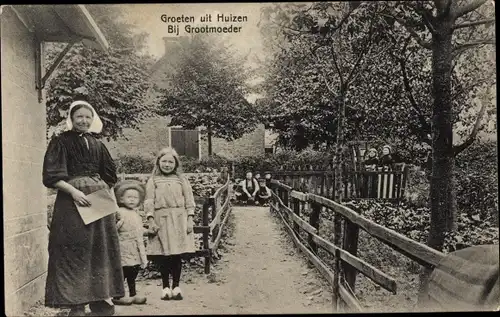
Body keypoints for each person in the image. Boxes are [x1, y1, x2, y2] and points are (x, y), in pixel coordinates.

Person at [42, 100, 124, 316]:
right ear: (71, 118)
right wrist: (75, 192)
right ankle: (76, 303)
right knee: (76, 250)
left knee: (100, 249)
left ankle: (100, 299)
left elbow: (110, 179)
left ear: (93, 118)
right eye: (79, 116)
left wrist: (113, 207)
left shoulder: (98, 144)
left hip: (99, 199)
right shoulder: (60, 141)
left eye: (88, 116)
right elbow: (51, 176)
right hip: (72, 201)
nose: (84, 120)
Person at [144, 147, 196, 301]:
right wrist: (151, 219)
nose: (167, 164)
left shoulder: (181, 180)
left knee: (176, 254)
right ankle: (165, 287)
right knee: (164, 254)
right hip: (162, 219)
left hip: (179, 218)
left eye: (170, 162)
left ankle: (177, 286)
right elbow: (149, 201)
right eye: (164, 161)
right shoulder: (153, 180)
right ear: (158, 163)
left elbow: (189, 200)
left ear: (176, 164)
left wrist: (190, 219)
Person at [112, 180, 149, 306]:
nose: (132, 200)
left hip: (135, 246)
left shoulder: (136, 213)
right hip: (123, 246)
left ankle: (133, 294)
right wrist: (118, 223)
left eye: (135, 198)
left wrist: (148, 231)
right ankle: (118, 295)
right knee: (123, 270)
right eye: (129, 197)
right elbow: (114, 229)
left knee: (133, 271)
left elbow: (138, 229)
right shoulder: (119, 212)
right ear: (121, 199)